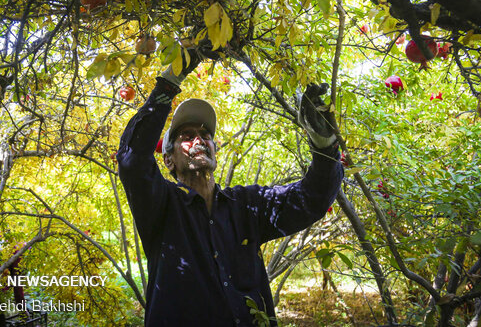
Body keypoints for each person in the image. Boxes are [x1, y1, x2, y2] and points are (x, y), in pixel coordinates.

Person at [117, 50, 343, 326]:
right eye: (186, 137)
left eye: (205, 135)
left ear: (214, 150)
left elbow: (311, 199)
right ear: (168, 160)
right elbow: (132, 159)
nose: (199, 140)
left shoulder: (248, 204)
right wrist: (169, 80)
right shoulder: (161, 205)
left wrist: (325, 145)